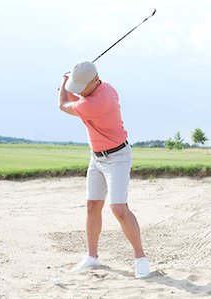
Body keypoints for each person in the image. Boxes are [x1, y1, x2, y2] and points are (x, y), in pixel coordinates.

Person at [58, 61, 150, 278]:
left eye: (81, 87)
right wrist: (69, 84)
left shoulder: (99, 101)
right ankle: (92, 257)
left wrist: (63, 83)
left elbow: (64, 105)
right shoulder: (97, 90)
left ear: (95, 80)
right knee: (92, 206)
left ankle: (141, 258)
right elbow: (76, 99)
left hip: (117, 158)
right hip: (96, 158)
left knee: (119, 208)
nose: (78, 91)